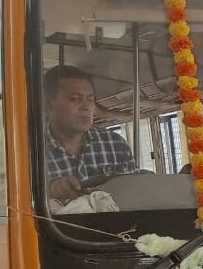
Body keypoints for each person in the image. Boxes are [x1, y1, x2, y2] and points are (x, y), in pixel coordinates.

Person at [42, 65, 138, 202]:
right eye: (75, 99)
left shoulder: (116, 145)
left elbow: (135, 194)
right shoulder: (29, 154)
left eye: (90, 100)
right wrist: (48, 190)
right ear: (48, 105)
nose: (86, 107)